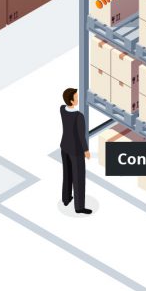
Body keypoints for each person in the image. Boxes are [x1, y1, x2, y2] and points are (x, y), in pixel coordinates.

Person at [59, 86, 92, 215]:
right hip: (76, 150)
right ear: (72, 101)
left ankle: (66, 198)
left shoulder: (62, 110)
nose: (78, 98)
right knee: (78, 178)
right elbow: (81, 136)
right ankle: (79, 207)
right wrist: (86, 150)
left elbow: (64, 105)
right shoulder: (79, 116)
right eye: (76, 97)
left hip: (64, 147)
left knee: (67, 174)